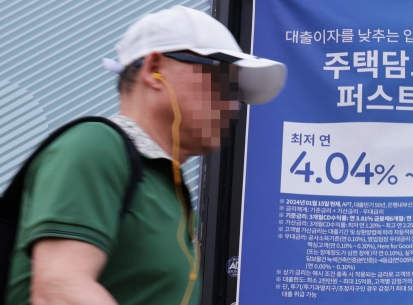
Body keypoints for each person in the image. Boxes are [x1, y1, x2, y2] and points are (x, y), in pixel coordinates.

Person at [4, 5, 285, 305]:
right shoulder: (95, 146)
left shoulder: (167, 187)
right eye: (222, 81)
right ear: (154, 69)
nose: (231, 106)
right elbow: (59, 291)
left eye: (235, 94)